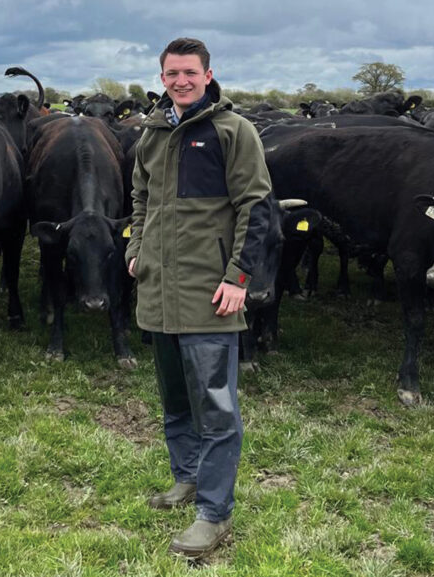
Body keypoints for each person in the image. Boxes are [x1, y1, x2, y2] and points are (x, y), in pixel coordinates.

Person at [125, 37, 272, 559]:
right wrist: (136, 247)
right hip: (159, 289)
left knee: (216, 407)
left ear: (208, 75)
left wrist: (238, 277)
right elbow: (140, 196)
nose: (180, 81)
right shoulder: (153, 131)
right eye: (171, 74)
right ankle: (186, 478)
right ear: (161, 77)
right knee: (175, 399)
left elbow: (256, 206)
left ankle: (214, 512)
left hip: (211, 292)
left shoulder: (233, 131)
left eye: (189, 72)